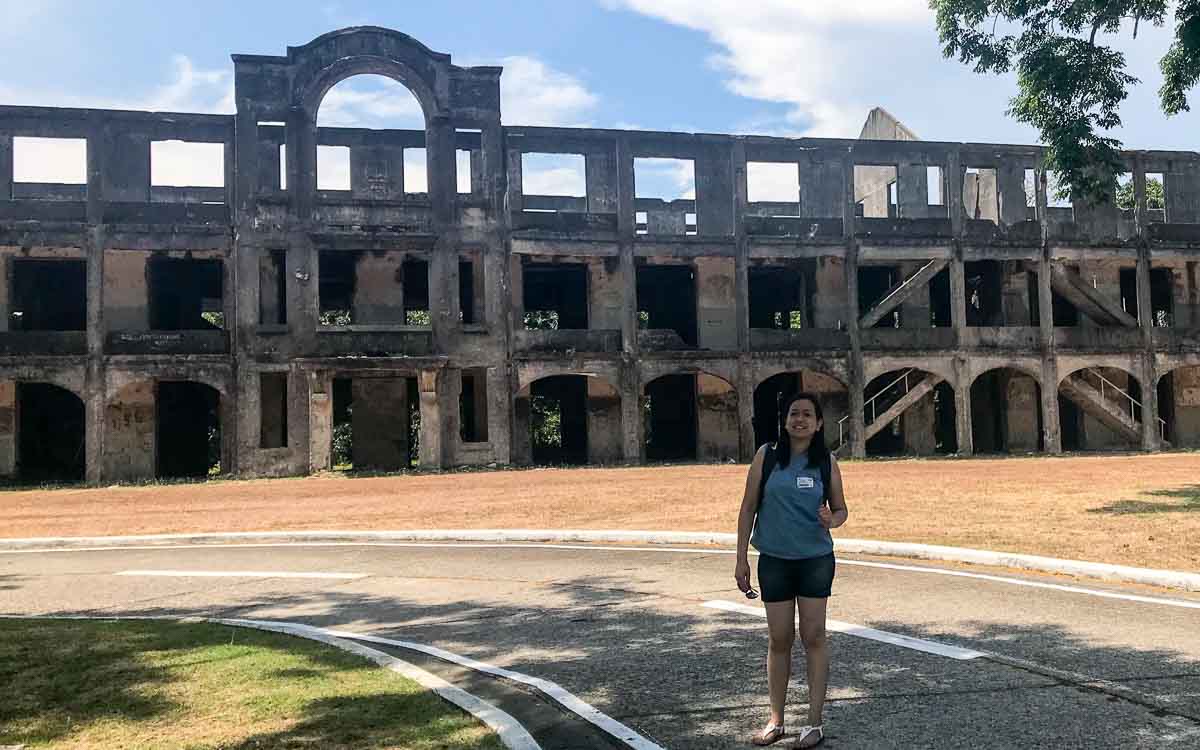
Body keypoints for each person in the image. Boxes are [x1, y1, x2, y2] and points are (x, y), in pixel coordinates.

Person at [735, 392, 849, 748]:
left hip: (815, 561)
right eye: (793, 414)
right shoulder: (766, 456)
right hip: (774, 560)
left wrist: (833, 519)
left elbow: (842, 509)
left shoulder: (826, 461)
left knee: (813, 637)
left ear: (818, 424)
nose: (799, 420)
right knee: (779, 639)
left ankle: (813, 723)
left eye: (807, 415)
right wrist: (741, 559)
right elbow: (748, 507)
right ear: (785, 421)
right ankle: (776, 720)